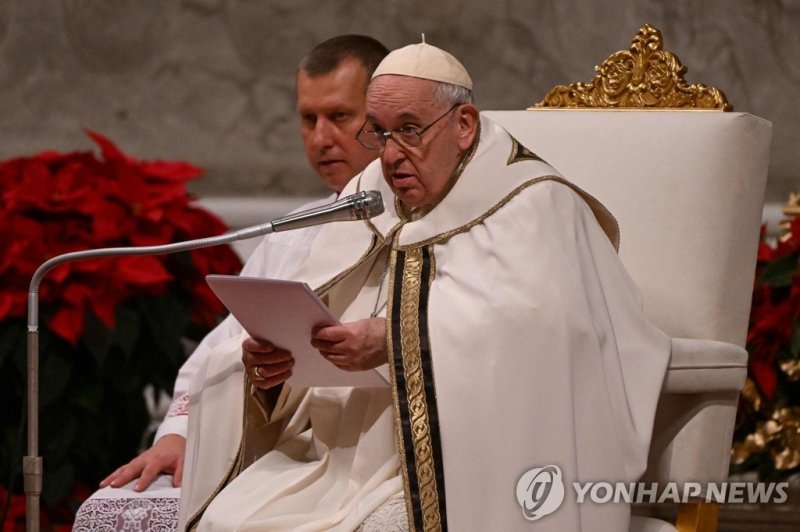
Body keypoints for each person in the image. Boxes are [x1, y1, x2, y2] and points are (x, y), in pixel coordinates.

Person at [178, 41, 671, 531]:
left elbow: (550, 335)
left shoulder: (533, 202)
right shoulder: (369, 195)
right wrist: (274, 367)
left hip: (473, 463)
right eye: (379, 132)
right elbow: (318, 318)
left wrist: (393, 339)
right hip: (345, 458)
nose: (390, 155)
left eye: (410, 130)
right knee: (227, 519)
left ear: (464, 125)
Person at [73, 35, 389, 528]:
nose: (321, 138)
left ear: (383, 117)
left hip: (380, 446)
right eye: (308, 119)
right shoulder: (294, 234)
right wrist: (178, 432)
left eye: (339, 116)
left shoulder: (426, 226)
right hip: (290, 443)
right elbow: (223, 349)